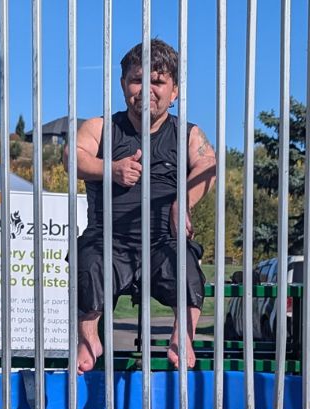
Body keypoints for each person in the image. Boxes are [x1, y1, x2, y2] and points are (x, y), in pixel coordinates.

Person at [72, 38, 217, 372]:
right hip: (109, 238)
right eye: (138, 80)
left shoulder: (187, 133)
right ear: (124, 85)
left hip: (162, 241)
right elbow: (73, 157)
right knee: (88, 260)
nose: (147, 89)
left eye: (158, 81)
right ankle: (87, 339)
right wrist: (113, 168)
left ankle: (183, 336)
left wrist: (185, 202)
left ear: (174, 91)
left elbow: (208, 164)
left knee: (186, 266)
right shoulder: (101, 128)